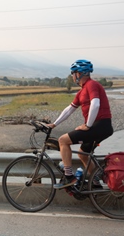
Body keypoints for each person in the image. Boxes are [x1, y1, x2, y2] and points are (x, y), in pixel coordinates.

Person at [47, 59, 113, 189]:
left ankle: (69, 177)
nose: (72, 76)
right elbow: (69, 109)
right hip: (100, 126)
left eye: (73, 73)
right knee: (83, 153)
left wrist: (87, 125)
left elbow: (95, 104)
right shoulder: (82, 91)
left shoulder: (91, 85)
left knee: (63, 140)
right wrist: (54, 124)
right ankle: (95, 182)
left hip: (100, 125)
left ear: (79, 73)